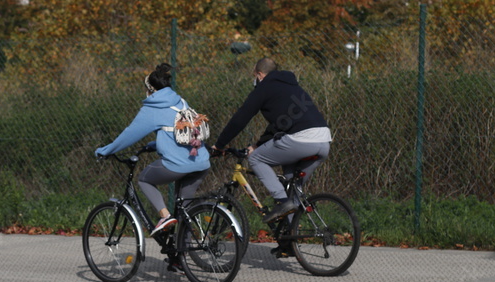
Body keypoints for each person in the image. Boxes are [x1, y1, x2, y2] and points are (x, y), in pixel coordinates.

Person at [210, 57, 331, 226]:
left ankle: (282, 202)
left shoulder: (265, 87)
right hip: (324, 140)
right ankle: (290, 238)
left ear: (259, 74)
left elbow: (241, 118)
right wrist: (258, 144)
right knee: (292, 187)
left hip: (300, 140)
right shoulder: (293, 87)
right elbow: (282, 122)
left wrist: (220, 145)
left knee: (256, 159)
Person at [95, 63, 210, 237]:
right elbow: (180, 133)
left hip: (178, 164)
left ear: (151, 89)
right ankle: (181, 258)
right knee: (185, 212)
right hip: (201, 161)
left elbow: (129, 135)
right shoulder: (181, 101)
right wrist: (156, 144)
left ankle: (164, 216)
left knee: (144, 180)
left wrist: (106, 150)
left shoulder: (152, 108)